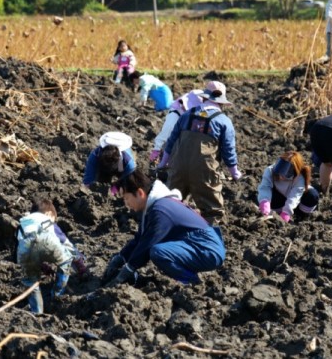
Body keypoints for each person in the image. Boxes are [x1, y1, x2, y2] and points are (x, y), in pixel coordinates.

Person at [102, 170, 226, 287]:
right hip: (198, 244)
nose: (126, 204)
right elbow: (141, 238)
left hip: (207, 248)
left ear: (140, 193)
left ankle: (190, 282)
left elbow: (148, 243)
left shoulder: (160, 209)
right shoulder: (154, 207)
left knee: (158, 252)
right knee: (156, 250)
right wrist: (121, 257)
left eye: (126, 198)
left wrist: (128, 269)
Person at [157, 81, 241, 223]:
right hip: (204, 172)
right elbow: (228, 151)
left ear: (204, 98)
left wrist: (163, 163)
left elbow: (171, 141)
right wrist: (235, 172)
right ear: (221, 103)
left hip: (178, 167)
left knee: (171, 204)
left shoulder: (186, 115)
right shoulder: (224, 121)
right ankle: (208, 236)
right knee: (212, 210)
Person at [16, 199, 72, 314]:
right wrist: (80, 265)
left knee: (31, 282)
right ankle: (57, 295)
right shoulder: (47, 220)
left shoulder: (23, 221)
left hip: (24, 246)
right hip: (46, 238)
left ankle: (37, 312)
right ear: (49, 214)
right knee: (66, 259)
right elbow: (66, 244)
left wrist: (39, 265)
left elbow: (22, 247)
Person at [257, 151, 320, 223]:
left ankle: (300, 216)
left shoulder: (300, 178)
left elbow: (294, 196)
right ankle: (276, 213)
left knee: (312, 195)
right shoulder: (270, 170)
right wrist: (265, 202)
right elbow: (265, 187)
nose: (281, 176)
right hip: (280, 199)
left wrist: (286, 213)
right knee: (273, 196)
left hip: (296, 202)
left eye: (287, 172)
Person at [149, 89, 204, 162]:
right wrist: (157, 149)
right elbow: (165, 133)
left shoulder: (191, 114)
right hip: (171, 142)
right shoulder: (174, 115)